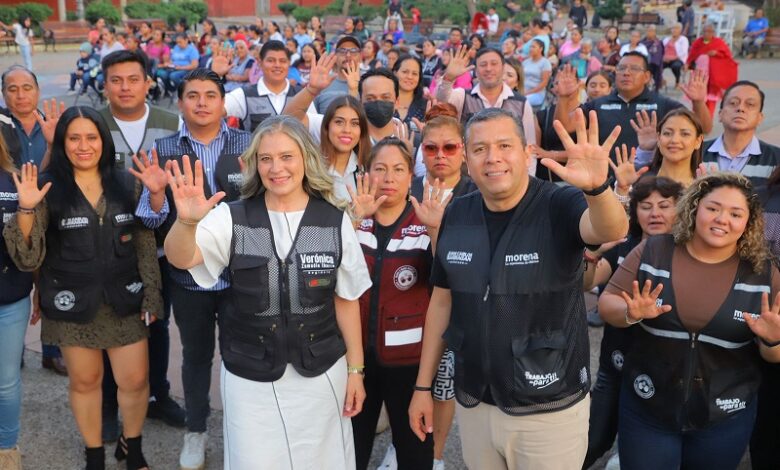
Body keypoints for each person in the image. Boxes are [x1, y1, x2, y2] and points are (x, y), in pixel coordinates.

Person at [408, 107, 629, 469]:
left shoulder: (560, 203)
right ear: (467, 158)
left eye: (505, 145)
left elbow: (608, 229)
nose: (493, 158)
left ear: (527, 153)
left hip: (547, 406)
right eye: (480, 149)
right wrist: (422, 387)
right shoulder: (457, 214)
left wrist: (597, 189)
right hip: (476, 402)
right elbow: (442, 304)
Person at [163, 114, 370, 469]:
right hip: (250, 377)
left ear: (306, 159)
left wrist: (356, 371)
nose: (277, 168)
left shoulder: (333, 220)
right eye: (266, 158)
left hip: (322, 372)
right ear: (254, 165)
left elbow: (346, 301)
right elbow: (182, 258)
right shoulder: (233, 217)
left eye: (287, 156)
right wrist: (186, 222)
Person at [4, 106, 164, 470]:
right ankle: (94, 454)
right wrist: (26, 211)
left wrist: (152, 293)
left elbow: (144, 242)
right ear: (62, 143)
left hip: (126, 298)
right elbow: (28, 258)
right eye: (73, 138)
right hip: (71, 303)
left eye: (91, 137)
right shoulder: (46, 186)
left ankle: (132, 446)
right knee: (86, 380)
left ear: (103, 140)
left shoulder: (128, 182)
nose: (83, 145)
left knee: (136, 380)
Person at [598, 172, 780, 470]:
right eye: (713, 208)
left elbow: (774, 354)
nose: (722, 219)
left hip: (724, 416)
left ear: (749, 222)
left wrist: (773, 339)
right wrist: (632, 313)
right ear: (694, 208)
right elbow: (607, 304)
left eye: (736, 214)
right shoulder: (654, 250)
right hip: (649, 407)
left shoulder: (763, 272)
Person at [134, 69, 252, 470]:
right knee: (197, 357)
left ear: (223, 103)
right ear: (180, 102)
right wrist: (154, 195)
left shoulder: (248, 146)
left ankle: (245, 433)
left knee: (244, 356)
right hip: (186, 275)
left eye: (210, 95)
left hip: (241, 276)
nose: (201, 102)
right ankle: (196, 432)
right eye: (192, 95)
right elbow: (151, 223)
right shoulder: (163, 149)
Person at [95, 50, 184, 441]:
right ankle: (109, 403)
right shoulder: (91, 123)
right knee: (108, 322)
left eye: (133, 78)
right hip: (104, 247)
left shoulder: (171, 122)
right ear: (105, 84)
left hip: (158, 246)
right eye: (116, 80)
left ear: (148, 81)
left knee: (158, 323)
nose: (125, 87)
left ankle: (157, 395)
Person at [351, 137, 448, 470]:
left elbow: (447, 281)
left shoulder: (425, 220)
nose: (389, 178)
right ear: (366, 173)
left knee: (414, 450)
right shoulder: (352, 219)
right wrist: (351, 221)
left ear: (411, 176)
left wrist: (435, 231)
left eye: (398, 170)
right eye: (380, 169)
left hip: (409, 362)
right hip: (355, 361)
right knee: (349, 448)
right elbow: (330, 276)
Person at [581, 176, 684, 469]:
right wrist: (593, 254)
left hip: (664, 372)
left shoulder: (691, 251)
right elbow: (589, 280)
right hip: (617, 361)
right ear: (635, 211)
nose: (655, 213)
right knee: (593, 437)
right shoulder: (623, 245)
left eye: (665, 206)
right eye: (646, 206)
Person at [0, 66, 68, 375]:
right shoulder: (1, 126)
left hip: (50, 216)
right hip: (10, 218)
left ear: (37, 91)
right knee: (13, 283)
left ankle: (52, 349)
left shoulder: (53, 125)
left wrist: (55, 143)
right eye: (12, 89)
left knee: (50, 284)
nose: (20, 94)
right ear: (4, 94)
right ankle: (13, 349)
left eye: (26, 87)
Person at [555, 52, 713, 162]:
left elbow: (704, 128)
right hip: (605, 183)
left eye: (634, 69)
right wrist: (562, 98)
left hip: (648, 185)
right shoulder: (598, 104)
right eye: (621, 68)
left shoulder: (662, 104)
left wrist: (698, 102)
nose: (626, 73)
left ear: (647, 77)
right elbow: (565, 126)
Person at [435, 46, 537, 174]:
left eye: (494, 64)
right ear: (476, 70)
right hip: (470, 174)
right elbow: (441, 101)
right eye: (483, 65)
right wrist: (448, 78)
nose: (489, 69)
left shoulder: (521, 103)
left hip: (506, 173)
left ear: (503, 67)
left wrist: (529, 179)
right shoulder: (463, 96)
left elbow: (530, 147)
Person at [0, 133, 35, 470]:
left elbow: (30, 245)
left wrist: (26, 208)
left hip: (9, 299)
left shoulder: (12, 182)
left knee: (6, 382)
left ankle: (6, 448)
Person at [215, 40, 311, 134]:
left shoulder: (302, 94)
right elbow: (213, 109)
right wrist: (215, 76)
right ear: (260, 63)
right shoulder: (244, 94)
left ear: (289, 63)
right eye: (271, 60)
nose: (277, 65)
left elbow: (315, 129)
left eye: (282, 61)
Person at [700, 81, 780, 189]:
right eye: (733, 103)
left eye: (750, 104)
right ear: (720, 114)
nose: (740, 108)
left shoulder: (776, 158)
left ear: (760, 118)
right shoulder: (697, 152)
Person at [640, 108, 703, 188]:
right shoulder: (637, 176)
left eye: (685, 134)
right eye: (667, 133)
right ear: (658, 138)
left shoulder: (705, 185)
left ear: (698, 141)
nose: (674, 140)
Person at [687, 22, 739, 116]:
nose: (707, 34)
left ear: (713, 33)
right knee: (697, 97)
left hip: (712, 76)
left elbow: (727, 56)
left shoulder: (718, 42)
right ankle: (697, 117)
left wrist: (716, 53)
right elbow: (692, 55)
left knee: (711, 99)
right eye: (705, 31)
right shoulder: (698, 42)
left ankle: (708, 118)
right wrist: (687, 64)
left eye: (710, 32)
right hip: (699, 74)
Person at [313, 36, 363, 113]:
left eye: (353, 50)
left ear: (360, 57)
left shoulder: (368, 83)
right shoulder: (323, 82)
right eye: (342, 51)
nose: (348, 55)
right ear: (335, 56)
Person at [393, 55, 427, 125]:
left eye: (414, 74)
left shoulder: (426, 106)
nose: (409, 77)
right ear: (395, 73)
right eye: (405, 72)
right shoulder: (383, 101)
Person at [522, 39, 552, 109]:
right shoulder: (526, 62)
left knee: (521, 101)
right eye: (530, 47)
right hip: (523, 91)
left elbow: (544, 82)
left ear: (541, 49)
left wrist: (528, 92)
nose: (531, 49)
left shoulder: (545, 63)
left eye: (533, 47)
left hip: (537, 93)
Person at [662, 23, 689, 90]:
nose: (674, 30)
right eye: (673, 28)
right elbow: (661, 49)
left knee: (676, 66)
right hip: (666, 58)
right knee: (656, 65)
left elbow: (683, 52)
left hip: (678, 59)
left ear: (680, 30)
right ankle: (661, 80)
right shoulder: (666, 39)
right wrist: (663, 57)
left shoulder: (683, 39)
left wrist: (672, 58)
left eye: (676, 28)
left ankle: (677, 82)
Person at [642, 25, 664, 93]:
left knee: (654, 66)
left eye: (651, 31)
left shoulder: (657, 43)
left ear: (655, 32)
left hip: (653, 64)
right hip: (641, 62)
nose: (649, 33)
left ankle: (654, 88)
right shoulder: (642, 42)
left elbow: (657, 56)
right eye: (648, 31)